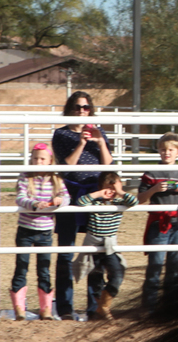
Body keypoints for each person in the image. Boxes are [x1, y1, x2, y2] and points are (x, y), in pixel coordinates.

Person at [51, 91, 112, 320]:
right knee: (66, 251)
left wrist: (99, 141)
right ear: (70, 109)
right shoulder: (62, 134)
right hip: (70, 193)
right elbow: (66, 166)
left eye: (86, 107)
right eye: (77, 107)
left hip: (94, 194)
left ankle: (93, 306)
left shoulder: (100, 132)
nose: (81, 111)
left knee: (95, 251)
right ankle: (65, 308)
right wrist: (82, 143)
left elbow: (108, 164)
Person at [9, 143, 70, 320]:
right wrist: (34, 204)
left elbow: (66, 196)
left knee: (44, 268)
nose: (38, 161)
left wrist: (60, 201)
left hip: (46, 231)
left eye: (42, 158)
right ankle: (19, 308)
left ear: (50, 160)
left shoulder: (56, 179)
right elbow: (20, 198)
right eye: (35, 158)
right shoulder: (25, 177)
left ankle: (46, 309)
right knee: (21, 267)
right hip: (26, 230)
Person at [74, 171, 138, 320]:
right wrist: (98, 194)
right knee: (95, 278)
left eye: (113, 188)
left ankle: (103, 306)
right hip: (93, 245)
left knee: (117, 274)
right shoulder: (95, 202)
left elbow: (134, 202)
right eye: (107, 189)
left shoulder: (119, 202)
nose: (111, 192)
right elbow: (81, 202)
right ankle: (101, 309)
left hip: (109, 245)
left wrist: (120, 192)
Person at [137, 133, 178, 313]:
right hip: (159, 223)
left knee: (175, 268)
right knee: (155, 266)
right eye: (163, 149)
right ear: (158, 151)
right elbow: (140, 199)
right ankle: (149, 308)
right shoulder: (150, 173)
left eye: (170, 150)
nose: (166, 153)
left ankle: (170, 307)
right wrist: (154, 189)